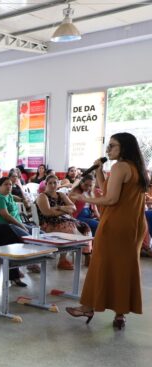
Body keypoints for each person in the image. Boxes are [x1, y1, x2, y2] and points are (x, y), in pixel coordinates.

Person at [67, 133, 150, 329]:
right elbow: (109, 191)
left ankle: (87, 307)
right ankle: (120, 314)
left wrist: (83, 198)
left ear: (124, 148)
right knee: (125, 268)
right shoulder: (138, 168)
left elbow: (111, 200)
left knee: (101, 264)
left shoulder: (120, 167)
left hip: (116, 224)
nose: (108, 150)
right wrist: (98, 171)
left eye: (112, 146)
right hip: (135, 224)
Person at [36, 174, 92, 270]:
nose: (53, 185)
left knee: (85, 227)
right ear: (46, 184)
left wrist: (59, 208)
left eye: (55, 183)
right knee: (69, 228)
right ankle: (62, 260)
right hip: (48, 223)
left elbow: (73, 208)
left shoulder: (61, 194)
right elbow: (48, 212)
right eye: (50, 183)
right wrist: (65, 210)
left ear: (58, 184)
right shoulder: (42, 196)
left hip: (64, 220)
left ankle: (87, 254)